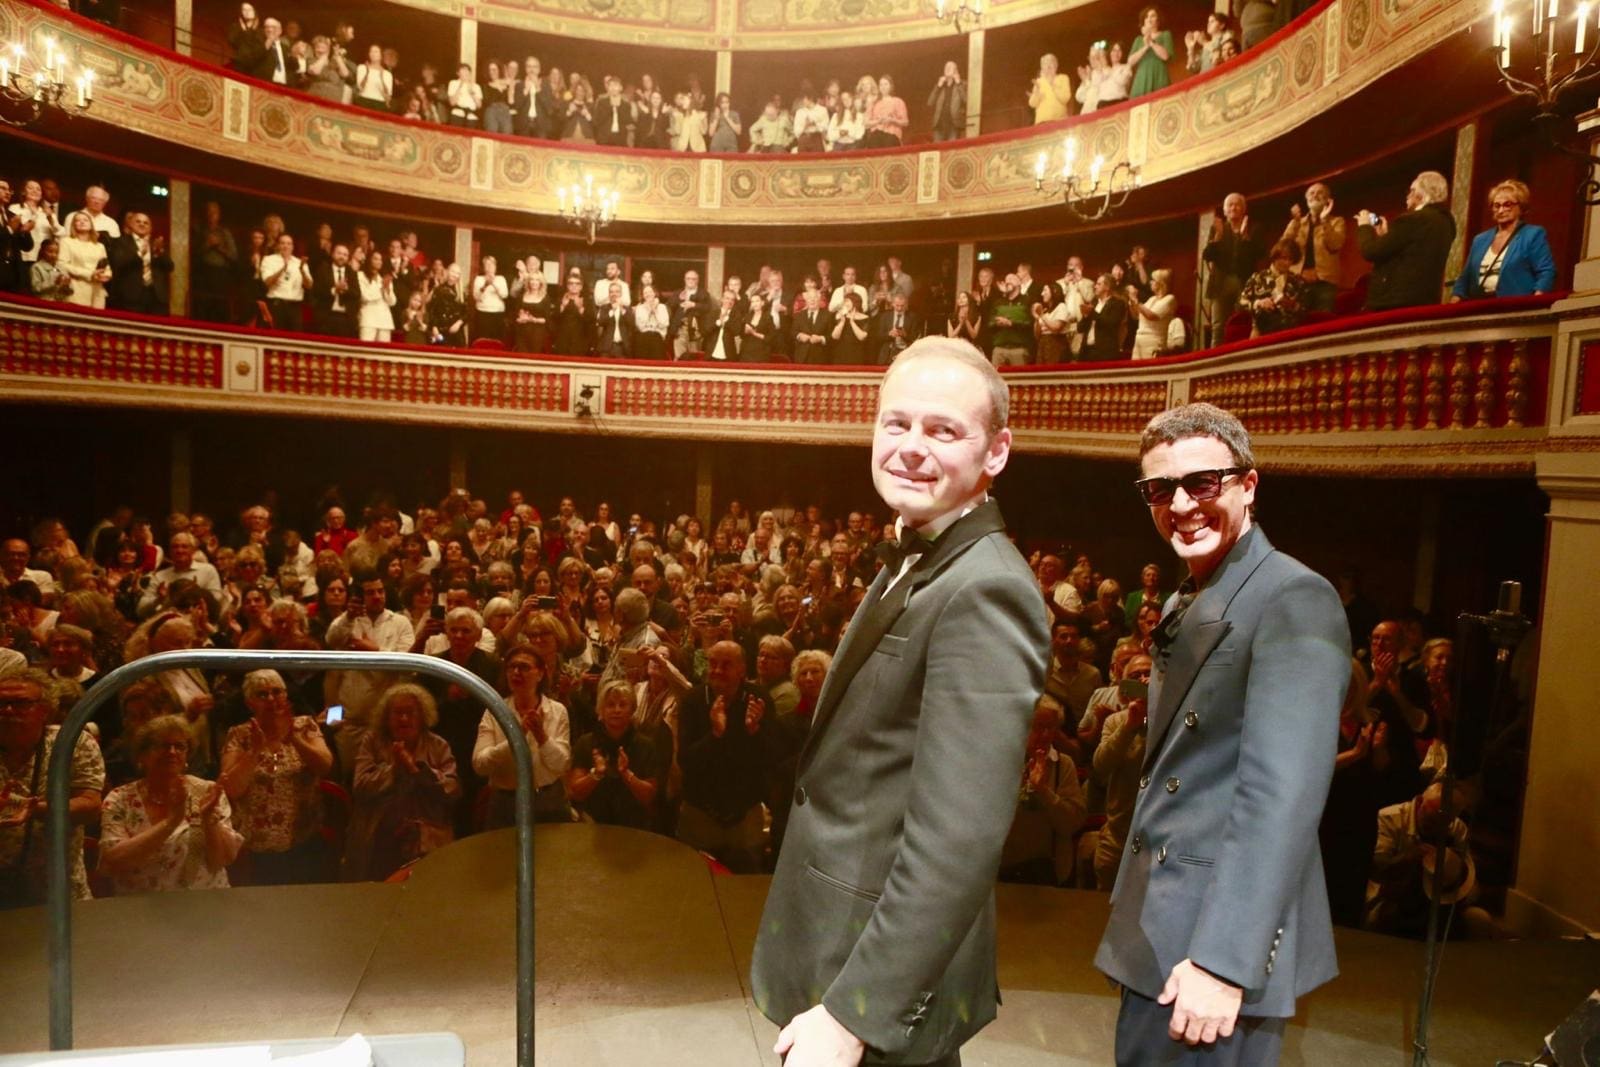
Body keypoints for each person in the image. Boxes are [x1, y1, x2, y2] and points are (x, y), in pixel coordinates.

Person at [751, 338, 1049, 1066]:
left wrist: (856, 1015)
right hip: (841, 945)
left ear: (997, 452)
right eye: (897, 424)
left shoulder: (986, 588)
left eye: (944, 430)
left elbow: (958, 841)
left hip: (873, 980)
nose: (912, 448)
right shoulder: (922, 550)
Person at [1094, 402, 1351, 1066]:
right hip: (1162, 925)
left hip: (1210, 942)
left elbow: (1280, 796)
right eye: (1160, 489)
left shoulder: (1294, 596)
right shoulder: (1191, 597)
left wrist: (1224, 961)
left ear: (1248, 484)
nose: (1180, 503)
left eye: (1202, 482)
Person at [98, 714, 242, 894]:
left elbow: (224, 859)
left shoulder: (207, 791)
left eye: (179, 746)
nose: (172, 752)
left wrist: (209, 821)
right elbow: (114, 860)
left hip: (204, 905)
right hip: (139, 911)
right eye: (162, 746)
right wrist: (170, 823)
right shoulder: (120, 798)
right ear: (141, 755)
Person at [218, 669, 333, 884]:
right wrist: (254, 752)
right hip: (258, 846)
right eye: (262, 694)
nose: (271, 699)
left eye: (276, 692)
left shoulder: (305, 725)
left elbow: (324, 767)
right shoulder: (239, 735)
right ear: (250, 703)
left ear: (286, 696)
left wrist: (295, 740)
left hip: (304, 837)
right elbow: (231, 788)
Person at [0, 669, 104, 908]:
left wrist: (36, 810)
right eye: (2, 703)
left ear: (44, 710)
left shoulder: (72, 742)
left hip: (57, 890)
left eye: (20, 703)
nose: (7, 711)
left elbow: (90, 807)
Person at [344, 684, 459, 880]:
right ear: (386, 718)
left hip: (427, 840)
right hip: (378, 839)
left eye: (410, 713)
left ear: (422, 716)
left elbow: (453, 790)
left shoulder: (438, 745)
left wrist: (417, 770)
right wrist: (393, 770)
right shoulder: (372, 742)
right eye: (397, 713)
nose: (403, 719)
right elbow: (360, 786)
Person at [474, 642, 572, 826]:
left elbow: (560, 765)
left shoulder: (557, 711)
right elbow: (480, 765)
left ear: (540, 673)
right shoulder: (495, 710)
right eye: (512, 667)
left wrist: (541, 735)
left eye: (524, 667)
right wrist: (515, 736)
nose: (516, 672)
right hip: (505, 802)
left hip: (548, 799)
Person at [1358, 171, 1456, 311]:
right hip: (1426, 301)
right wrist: (1386, 236)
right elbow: (1414, 252)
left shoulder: (1412, 219)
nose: (1408, 195)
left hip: (1396, 302)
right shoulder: (1446, 222)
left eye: (1411, 190)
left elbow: (1370, 251)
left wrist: (1364, 226)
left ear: (1420, 194)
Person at [567, 678, 658, 828]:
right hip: (593, 825)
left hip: (634, 826)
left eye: (623, 705)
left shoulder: (645, 745)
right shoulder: (586, 743)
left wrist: (626, 773)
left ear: (632, 709)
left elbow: (648, 797)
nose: (617, 710)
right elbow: (575, 792)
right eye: (610, 705)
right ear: (601, 709)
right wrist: (596, 774)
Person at [1450, 179, 1558, 302]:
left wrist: (1536, 302)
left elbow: (1546, 272)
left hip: (1514, 308)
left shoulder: (1532, 235)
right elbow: (1465, 278)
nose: (1501, 210)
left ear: (1521, 206)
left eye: (1507, 205)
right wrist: (1454, 301)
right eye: (1497, 206)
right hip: (1480, 307)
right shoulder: (1480, 240)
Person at [1202, 193, 1261, 347]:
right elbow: (1207, 255)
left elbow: (1260, 254)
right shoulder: (1218, 228)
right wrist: (1218, 236)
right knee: (1218, 327)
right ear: (1225, 210)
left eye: (1237, 204)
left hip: (1245, 283)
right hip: (1220, 283)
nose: (1234, 207)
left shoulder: (1254, 228)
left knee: (1244, 323)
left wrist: (1244, 237)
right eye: (1230, 205)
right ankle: (1215, 365)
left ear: (1244, 209)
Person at [1281, 183, 1345, 313]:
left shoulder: (1337, 222)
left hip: (1325, 283)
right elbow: (1282, 248)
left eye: (1320, 192)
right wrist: (1295, 223)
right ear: (1306, 199)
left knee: (1324, 321)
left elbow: (1335, 245)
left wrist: (1324, 220)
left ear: (1328, 200)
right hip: (1297, 282)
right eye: (1311, 193)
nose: (1315, 195)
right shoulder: (1298, 222)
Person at [58, 211, 111, 309]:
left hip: (97, 291)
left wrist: (106, 276)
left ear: (91, 224)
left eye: (85, 220)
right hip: (77, 289)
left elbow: (106, 266)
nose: (82, 222)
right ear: (73, 225)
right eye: (78, 220)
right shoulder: (67, 242)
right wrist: (89, 274)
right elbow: (61, 264)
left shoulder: (99, 246)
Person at [1129, 268, 1176, 359]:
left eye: (1153, 280)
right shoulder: (1152, 299)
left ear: (1161, 283)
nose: (1150, 282)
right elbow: (1136, 316)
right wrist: (1131, 303)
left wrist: (1137, 302)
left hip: (1154, 342)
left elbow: (1151, 316)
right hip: (1139, 341)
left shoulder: (1170, 299)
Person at [1129, 7, 1175, 98]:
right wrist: (1145, 46)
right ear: (1144, 21)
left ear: (1158, 20)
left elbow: (1165, 56)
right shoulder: (1138, 40)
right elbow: (1130, 61)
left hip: (1159, 75)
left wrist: (1150, 42)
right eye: (1146, 17)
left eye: (1152, 16)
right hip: (1142, 78)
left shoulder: (1165, 35)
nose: (1149, 19)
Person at [928, 61, 967, 141]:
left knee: (952, 150)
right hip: (939, 124)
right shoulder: (940, 85)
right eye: (946, 67)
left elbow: (966, 100)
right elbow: (930, 102)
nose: (947, 68)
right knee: (937, 150)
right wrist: (938, 86)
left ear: (956, 71)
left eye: (950, 67)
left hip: (954, 124)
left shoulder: (963, 84)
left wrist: (958, 83)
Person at [1029, 53, 1073, 123]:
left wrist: (1052, 83)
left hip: (1060, 121)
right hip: (1042, 123)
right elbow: (1032, 104)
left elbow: (1065, 98)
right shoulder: (1039, 82)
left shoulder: (1063, 78)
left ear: (1056, 65)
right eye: (1045, 63)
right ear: (1042, 67)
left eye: (1051, 62)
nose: (1048, 66)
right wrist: (1037, 92)